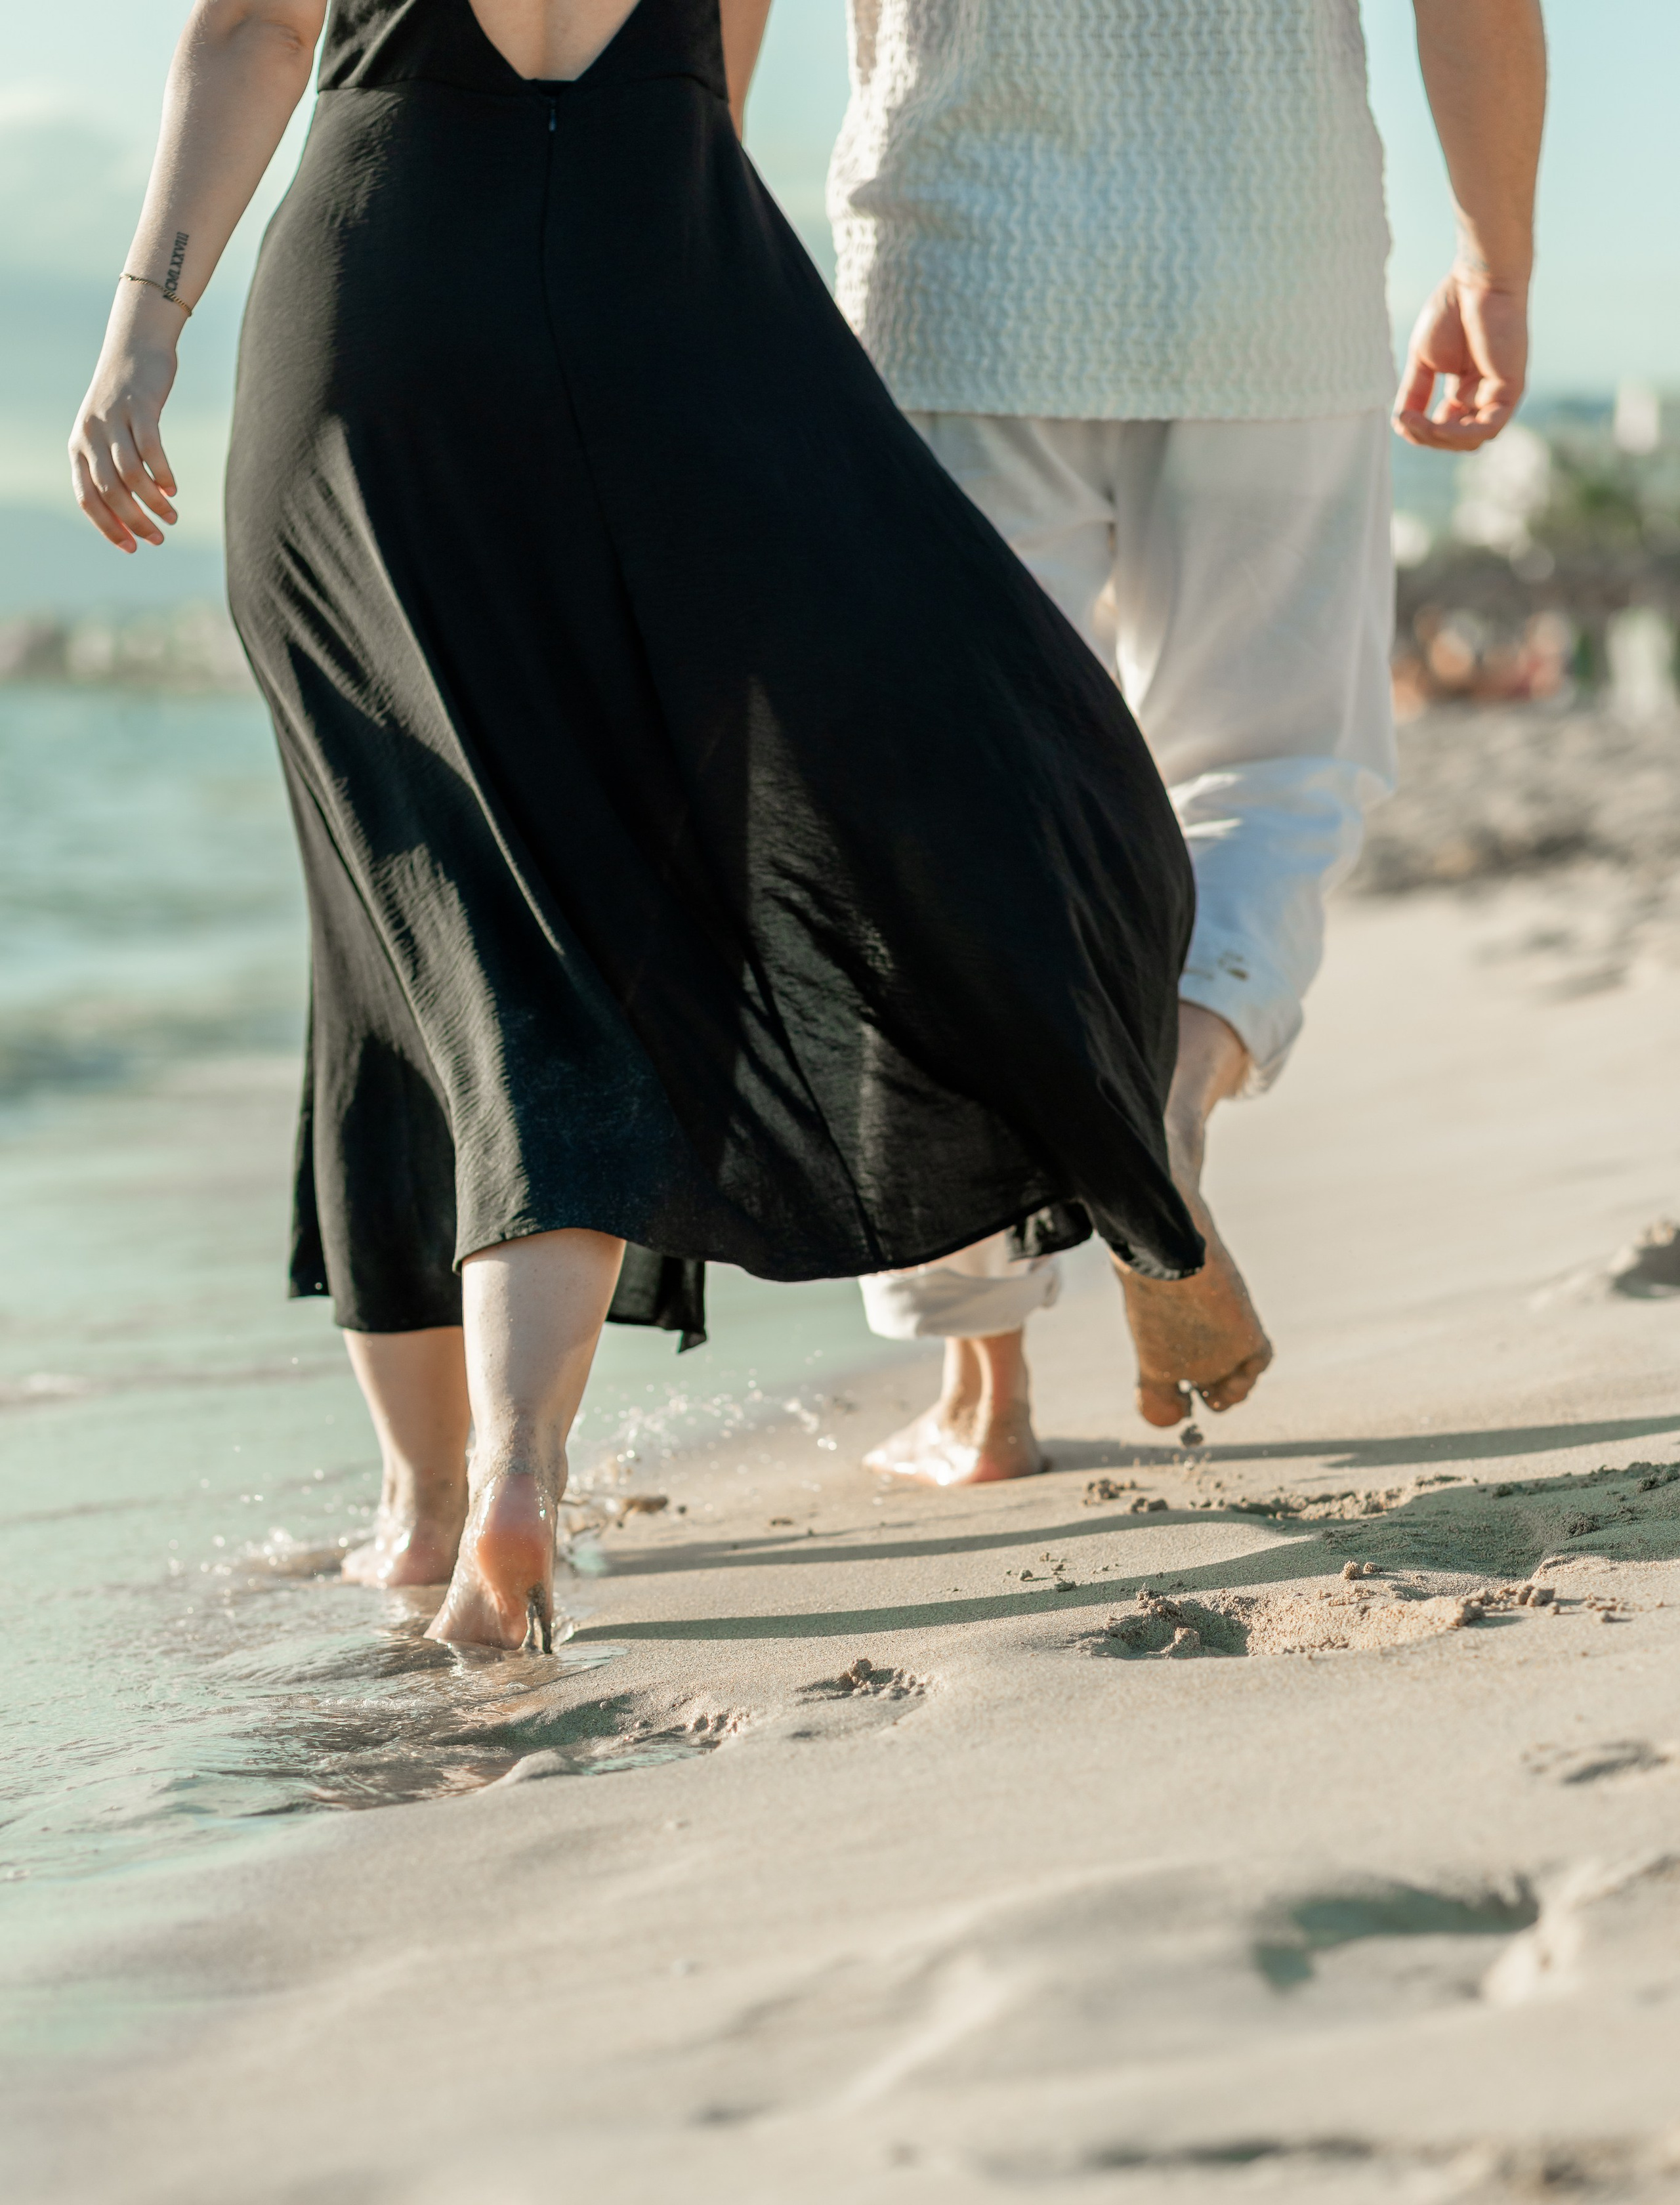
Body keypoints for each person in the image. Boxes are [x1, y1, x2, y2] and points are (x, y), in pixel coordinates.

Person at [70, 0, 1205, 1649]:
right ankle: (521, 1465)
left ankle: (431, 1507)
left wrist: (144, 325)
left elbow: (250, 28)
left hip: (386, 307)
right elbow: (713, 81)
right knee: (589, 920)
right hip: (669, 305)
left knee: (402, 925)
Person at [834, 0, 1547, 1486]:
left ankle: (986, 1391)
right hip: (1269, 269)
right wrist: (1493, 261)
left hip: (959, 265)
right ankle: (1176, 1074)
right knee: (1275, 767)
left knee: (953, 821)